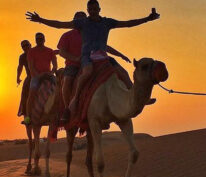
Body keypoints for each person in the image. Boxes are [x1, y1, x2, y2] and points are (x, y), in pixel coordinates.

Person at [25, 0, 160, 114]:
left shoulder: (107, 22)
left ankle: (138, 97)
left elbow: (128, 23)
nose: (93, 10)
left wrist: (147, 18)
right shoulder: (81, 24)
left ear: (99, 9)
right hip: (87, 57)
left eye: (95, 8)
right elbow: (60, 25)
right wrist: (41, 20)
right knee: (86, 72)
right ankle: (74, 101)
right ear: (88, 10)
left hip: (103, 56)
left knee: (122, 72)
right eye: (91, 9)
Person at [57, 11, 132, 122]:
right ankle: (68, 109)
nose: (80, 21)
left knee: (119, 71)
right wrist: (75, 58)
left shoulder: (90, 33)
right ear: (74, 21)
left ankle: (132, 95)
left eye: (82, 19)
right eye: (77, 19)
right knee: (67, 81)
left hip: (93, 60)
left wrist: (120, 55)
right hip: (74, 64)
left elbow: (104, 46)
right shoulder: (67, 35)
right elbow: (61, 52)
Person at [24, 32, 57, 124]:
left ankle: (62, 112)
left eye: (41, 39)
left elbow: (55, 65)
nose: (39, 40)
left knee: (59, 89)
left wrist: (51, 73)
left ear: (44, 39)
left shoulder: (50, 51)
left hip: (48, 74)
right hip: (36, 76)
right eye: (37, 39)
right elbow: (31, 67)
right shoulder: (31, 52)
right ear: (35, 40)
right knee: (31, 93)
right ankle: (28, 117)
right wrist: (38, 75)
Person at [17, 40, 32, 117]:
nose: (25, 47)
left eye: (26, 45)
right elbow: (20, 67)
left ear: (30, 45)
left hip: (43, 76)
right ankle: (25, 116)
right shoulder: (22, 57)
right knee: (24, 97)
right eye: (23, 46)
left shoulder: (36, 52)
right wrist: (18, 77)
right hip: (30, 77)